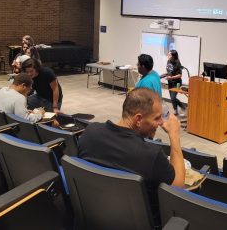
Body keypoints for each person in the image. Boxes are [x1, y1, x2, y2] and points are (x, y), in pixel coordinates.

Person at [78, 88, 185, 224]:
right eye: (157, 118)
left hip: (94, 218)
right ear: (138, 119)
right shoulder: (151, 155)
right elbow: (178, 188)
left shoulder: (90, 133)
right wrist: (174, 135)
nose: (161, 123)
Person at [160, 50, 185, 115]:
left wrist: (170, 77)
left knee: (173, 97)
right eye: (168, 54)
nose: (168, 56)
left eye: (169, 55)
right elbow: (168, 72)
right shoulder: (168, 61)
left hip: (177, 83)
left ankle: (178, 109)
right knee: (172, 98)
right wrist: (160, 76)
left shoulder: (177, 63)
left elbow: (180, 75)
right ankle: (178, 108)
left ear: (173, 56)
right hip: (170, 82)